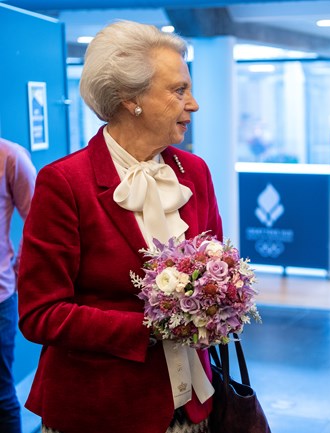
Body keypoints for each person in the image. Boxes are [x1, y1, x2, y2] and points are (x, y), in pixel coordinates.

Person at [17, 21, 222, 433]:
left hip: (193, 407)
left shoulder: (194, 172)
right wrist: (151, 327)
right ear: (131, 99)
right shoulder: (66, 182)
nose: (194, 103)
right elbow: (40, 313)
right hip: (100, 410)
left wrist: (222, 301)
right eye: (179, 90)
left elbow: (216, 265)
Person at [0, 137, 36, 433]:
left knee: (0, 395)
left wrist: (20, 268)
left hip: (0, 299)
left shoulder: (10, 156)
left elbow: (37, 219)